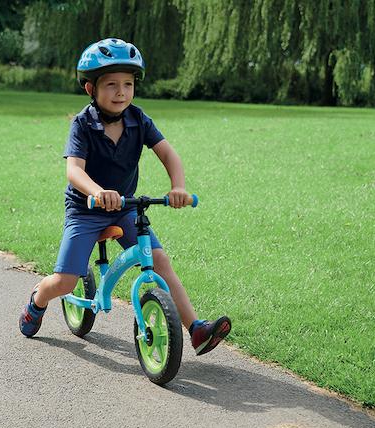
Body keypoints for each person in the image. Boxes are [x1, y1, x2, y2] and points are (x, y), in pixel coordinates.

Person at [19, 38, 231, 355]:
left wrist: (178, 187)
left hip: (124, 208)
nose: (121, 92)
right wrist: (97, 192)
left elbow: (168, 154)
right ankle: (37, 300)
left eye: (128, 84)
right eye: (112, 85)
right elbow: (74, 172)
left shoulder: (138, 119)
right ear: (90, 89)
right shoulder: (82, 124)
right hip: (85, 209)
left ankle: (196, 329)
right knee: (65, 281)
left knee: (158, 260)